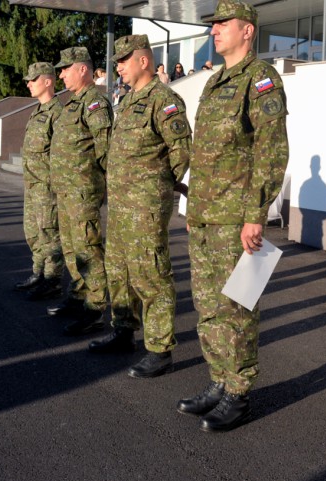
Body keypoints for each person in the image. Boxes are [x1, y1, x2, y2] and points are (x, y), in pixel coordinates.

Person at [178, 0, 288, 433]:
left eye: (223, 24)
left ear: (247, 30)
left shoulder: (260, 80)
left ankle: (239, 393)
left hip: (236, 218)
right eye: (213, 25)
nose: (214, 30)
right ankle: (219, 380)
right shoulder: (215, 82)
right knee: (207, 306)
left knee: (237, 304)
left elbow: (271, 149)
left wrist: (255, 214)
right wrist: (194, 207)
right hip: (207, 214)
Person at [88, 35, 192, 380]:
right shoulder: (129, 100)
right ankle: (122, 331)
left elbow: (181, 151)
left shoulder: (163, 99)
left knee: (151, 275)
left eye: (123, 60)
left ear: (143, 61)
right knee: (118, 271)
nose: (117, 67)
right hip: (121, 206)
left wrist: (158, 187)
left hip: (144, 207)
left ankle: (160, 349)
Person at [46, 47, 113, 336]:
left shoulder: (95, 102)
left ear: (82, 69)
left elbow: (106, 148)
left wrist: (102, 185)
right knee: (72, 250)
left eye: (65, 68)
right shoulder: (72, 104)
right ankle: (78, 297)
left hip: (83, 192)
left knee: (88, 249)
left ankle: (96, 308)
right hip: (66, 192)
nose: (60, 74)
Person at [14, 62, 64, 301]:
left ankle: (52, 279)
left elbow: (61, 152)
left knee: (50, 234)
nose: (28, 84)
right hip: (32, 184)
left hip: (47, 186)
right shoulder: (38, 111)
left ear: (48, 81)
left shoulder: (57, 113)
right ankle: (38, 273)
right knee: (33, 232)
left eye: (33, 80)